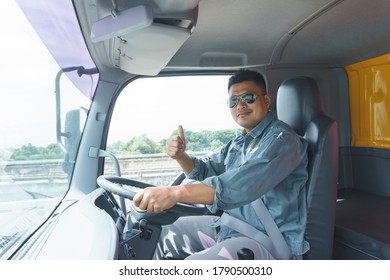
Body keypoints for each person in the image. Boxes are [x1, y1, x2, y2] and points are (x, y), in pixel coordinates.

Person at [133, 70, 309, 260]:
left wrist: (174, 193)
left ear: (266, 100)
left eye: (248, 97)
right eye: (233, 101)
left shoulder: (283, 140)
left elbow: (241, 186)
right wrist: (181, 156)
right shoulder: (238, 143)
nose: (240, 105)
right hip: (230, 227)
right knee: (161, 233)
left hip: (268, 243)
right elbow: (205, 170)